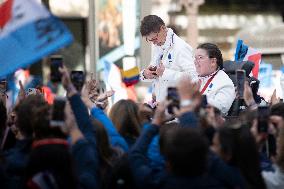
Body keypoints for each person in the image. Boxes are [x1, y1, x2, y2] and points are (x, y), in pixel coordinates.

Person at [139, 15, 198, 103]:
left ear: (162, 28)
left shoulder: (181, 47)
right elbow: (157, 75)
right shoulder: (158, 46)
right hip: (160, 104)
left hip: (177, 106)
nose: (154, 43)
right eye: (150, 40)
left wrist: (165, 73)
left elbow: (194, 77)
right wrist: (145, 74)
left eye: (155, 39)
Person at [194, 43, 235, 115]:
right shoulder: (195, 78)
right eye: (195, 58)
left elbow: (221, 108)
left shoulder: (224, 82)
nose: (195, 62)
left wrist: (197, 98)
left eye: (200, 58)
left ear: (213, 62)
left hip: (206, 124)